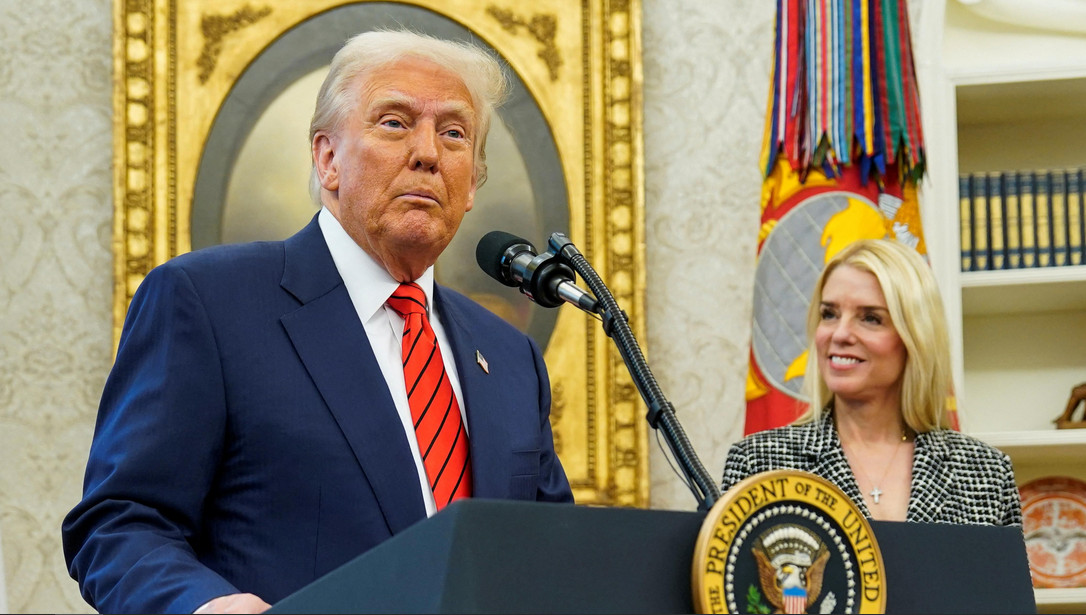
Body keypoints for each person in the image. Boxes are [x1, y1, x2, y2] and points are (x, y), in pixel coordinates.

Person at [62, 29, 573, 614]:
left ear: (472, 185)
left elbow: (549, 557)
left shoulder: (509, 357)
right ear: (328, 159)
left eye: (454, 133)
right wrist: (205, 606)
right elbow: (119, 523)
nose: (428, 153)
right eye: (395, 123)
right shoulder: (208, 302)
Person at [722, 239, 1021, 526]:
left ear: (915, 338)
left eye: (870, 318)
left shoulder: (986, 474)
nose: (840, 334)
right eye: (829, 314)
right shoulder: (758, 464)